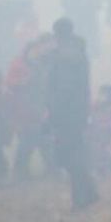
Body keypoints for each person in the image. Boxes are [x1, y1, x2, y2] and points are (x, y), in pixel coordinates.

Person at [45, 18, 98, 210]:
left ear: (57, 34)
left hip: (66, 114)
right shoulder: (77, 52)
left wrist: (53, 112)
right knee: (74, 152)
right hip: (77, 112)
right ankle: (88, 192)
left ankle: (82, 197)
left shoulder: (64, 57)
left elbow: (64, 90)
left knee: (69, 155)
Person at [6, 34, 55, 181]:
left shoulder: (44, 63)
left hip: (41, 105)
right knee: (28, 139)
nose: (38, 52)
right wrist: (24, 82)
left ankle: (51, 169)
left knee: (44, 138)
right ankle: (20, 171)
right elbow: (11, 82)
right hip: (24, 107)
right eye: (35, 49)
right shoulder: (19, 63)